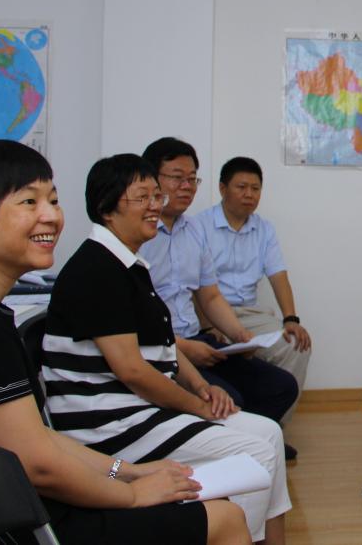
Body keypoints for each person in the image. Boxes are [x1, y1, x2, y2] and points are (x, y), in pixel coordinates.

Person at [0, 139, 248, 545]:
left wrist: (128, 471)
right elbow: (38, 465)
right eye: (29, 202)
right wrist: (132, 493)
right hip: (23, 523)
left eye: (53, 200)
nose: (51, 216)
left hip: (23, 504)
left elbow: (40, 438)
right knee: (226, 518)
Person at [42, 153, 291, 544]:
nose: (155, 206)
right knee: (253, 451)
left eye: (156, 197)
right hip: (109, 426)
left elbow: (165, 344)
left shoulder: (130, 264)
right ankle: (233, 535)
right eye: (142, 198)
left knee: (270, 434)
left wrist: (202, 388)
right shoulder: (97, 269)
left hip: (135, 411)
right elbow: (132, 371)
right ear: (107, 208)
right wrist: (195, 406)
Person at [138, 138, 300, 459]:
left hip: (197, 338)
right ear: (151, 180)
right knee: (231, 397)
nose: (186, 186)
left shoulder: (193, 231)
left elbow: (210, 296)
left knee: (282, 386)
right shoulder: (140, 234)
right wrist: (185, 346)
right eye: (177, 178)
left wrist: (239, 336)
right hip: (162, 348)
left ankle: (252, 444)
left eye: (192, 179)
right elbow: (135, 319)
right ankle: (237, 449)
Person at [195, 157, 311, 427]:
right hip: (209, 312)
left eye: (255, 188)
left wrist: (291, 319)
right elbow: (194, 287)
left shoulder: (264, 229)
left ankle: (274, 427)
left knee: (295, 345)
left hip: (250, 313)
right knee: (220, 354)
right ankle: (241, 427)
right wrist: (209, 325)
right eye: (241, 187)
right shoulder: (198, 226)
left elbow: (278, 276)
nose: (249, 194)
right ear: (222, 188)